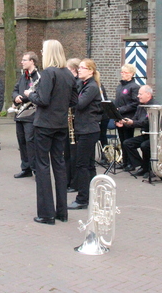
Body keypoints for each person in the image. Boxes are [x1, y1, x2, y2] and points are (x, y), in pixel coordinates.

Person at [26, 40, 77, 225]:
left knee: (42, 166)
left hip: (45, 125)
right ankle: (62, 212)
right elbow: (74, 101)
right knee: (59, 165)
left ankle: (46, 213)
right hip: (60, 124)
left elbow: (43, 99)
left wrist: (29, 94)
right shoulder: (68, 74)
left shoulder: (49, 73)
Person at [68, 59, 103, 210]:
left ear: (91, 71)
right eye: (79, 67)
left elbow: (80, 104)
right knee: (88, 165)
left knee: (82, 164)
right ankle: (92, 194)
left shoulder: (92, 87)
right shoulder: (82, 84)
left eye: (82, 68)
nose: (79, 70)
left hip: (88, 130)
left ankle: (82, 199)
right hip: (84, 129)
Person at [117, 85, 161, 179]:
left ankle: (151, 169)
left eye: (140, 94)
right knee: (127, 143)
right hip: (146, 134)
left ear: (148, 94)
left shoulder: (154, 106)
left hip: (156, 135)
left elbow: (146, 122)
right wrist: (124, 123)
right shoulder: (140, 106)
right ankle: (143, 166)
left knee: (145, 145)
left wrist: (132, 122)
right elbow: (135, 119)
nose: (138, 96)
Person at [11, 52, 40, 178]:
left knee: (30, 142)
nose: (22, 62)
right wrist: (15, 97)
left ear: (32, 61)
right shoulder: (23, 76)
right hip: (20, 114)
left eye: (24, 60)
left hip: (31, 115)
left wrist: (22, 99)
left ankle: (36, 169)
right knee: (22, 142)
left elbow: (38, 94)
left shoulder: (39, 77)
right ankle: (26, 168)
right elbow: (15, 89)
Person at [64, 58, 81, 191]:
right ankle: (67, 180)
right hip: (68, 122)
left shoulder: (78, 84)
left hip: (77, 123)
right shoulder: (72, 82)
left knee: (74, 155)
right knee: (67, 154)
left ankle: (75, 182)